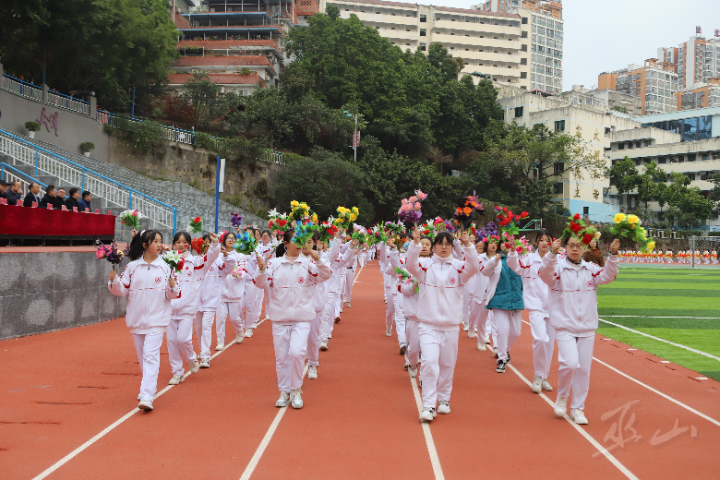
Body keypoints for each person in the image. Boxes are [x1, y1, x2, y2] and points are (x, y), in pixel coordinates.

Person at [539, 232, 620, 426]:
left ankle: (578, 408)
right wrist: (552, 253)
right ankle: (562, 396)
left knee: (583, 369)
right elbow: (544, 274)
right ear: (565, 248)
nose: (575, 248)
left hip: (587, 327)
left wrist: (614, 255)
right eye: (571, 245)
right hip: (565, 326)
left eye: (578, 245)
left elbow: (609, 276)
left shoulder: (590, 269)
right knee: (570, 363)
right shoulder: (557, 268)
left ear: (584, 248)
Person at [405, 229, 478, 422]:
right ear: (434, 247)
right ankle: (429, 405)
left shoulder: (459, 267)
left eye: (447, 244)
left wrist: (468, 246)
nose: (443, 247)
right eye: (440, 244)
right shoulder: (425, 265)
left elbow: (474, 266)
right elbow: (409, 264)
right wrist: (415, 244)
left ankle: (444, 399)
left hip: (451, 326)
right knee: (429, 363)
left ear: (452, 247)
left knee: (447, 364)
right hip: (428, 325)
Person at [255, 229, 332, 409]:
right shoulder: (274, 264)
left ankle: (296, 389)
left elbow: (326, 275)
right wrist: (260, 269)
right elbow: (260, 284)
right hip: (280, 319)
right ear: (286, 244)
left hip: (301, 318)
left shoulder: (308, 264)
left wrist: (318, 259)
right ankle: (284, 391)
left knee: (296, 353)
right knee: (282, 358)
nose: (300, 244)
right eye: (296, 240)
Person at [108, 230, 181, 411]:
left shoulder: (166, 266)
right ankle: (150, 385)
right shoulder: (132, 267)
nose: (158, 245)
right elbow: (121, 290)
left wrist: (172, 286)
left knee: (150, 356)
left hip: (157, 319)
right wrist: (114, 281)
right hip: (136, 319)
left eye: (160, 241)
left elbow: (175, 294)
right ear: (144, 245)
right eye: (154, 241)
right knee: (143, 358)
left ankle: (147, 395)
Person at [165, 231, 221, 386]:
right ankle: (177, 372)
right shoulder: (168, 262)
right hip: (169, 309)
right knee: (171, 341)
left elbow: (210, 258)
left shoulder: (196, 263)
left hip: (187, 309)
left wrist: (215, 244)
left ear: (189, 244)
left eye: (184, 242)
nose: (181, 245)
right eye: (178, 242)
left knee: (183, 339)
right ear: (174, 244)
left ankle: (191, 359)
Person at [508, 230, 554, 394]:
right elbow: (514, 266)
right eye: (541, 240)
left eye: (547, 240)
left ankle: (544, 377)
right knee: (541, 339)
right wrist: (513, 252)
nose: (543, 243)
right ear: (536, 242)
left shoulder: (557, 260)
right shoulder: (528, 259)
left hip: (553, 307)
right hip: (535, 305)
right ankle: (537, 376)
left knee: (549, 344)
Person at [481, 236, 524, 373]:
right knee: (502, 330)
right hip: (499, 300)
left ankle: (504, 349)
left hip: (516, 300)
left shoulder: (521, 261)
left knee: (516, 332)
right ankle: (501, 360)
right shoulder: (497, 261)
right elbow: (485, 271)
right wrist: (494, 260)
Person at [195, 234, 236, 368]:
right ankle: (202, 350)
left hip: (212, 300)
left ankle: (205, 356)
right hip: (196, 300)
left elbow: (230, 267)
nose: (207, 247)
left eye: (210, 244)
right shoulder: (197, 261)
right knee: (199, 327)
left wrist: (225, 256)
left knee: (206, 327)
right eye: (205, 244)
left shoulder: (219, 261)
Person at [216, 232, 249, 351]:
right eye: (228, 238)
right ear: (224, 240)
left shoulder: (240, 256)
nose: (230, 240)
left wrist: (237, 273)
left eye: (233, 238)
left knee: (234, 318)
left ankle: (239, 331)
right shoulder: (218, 256)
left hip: (235, 293)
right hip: (221, 293)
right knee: (220, 318)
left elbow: (245, 272)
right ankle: (220, 341)